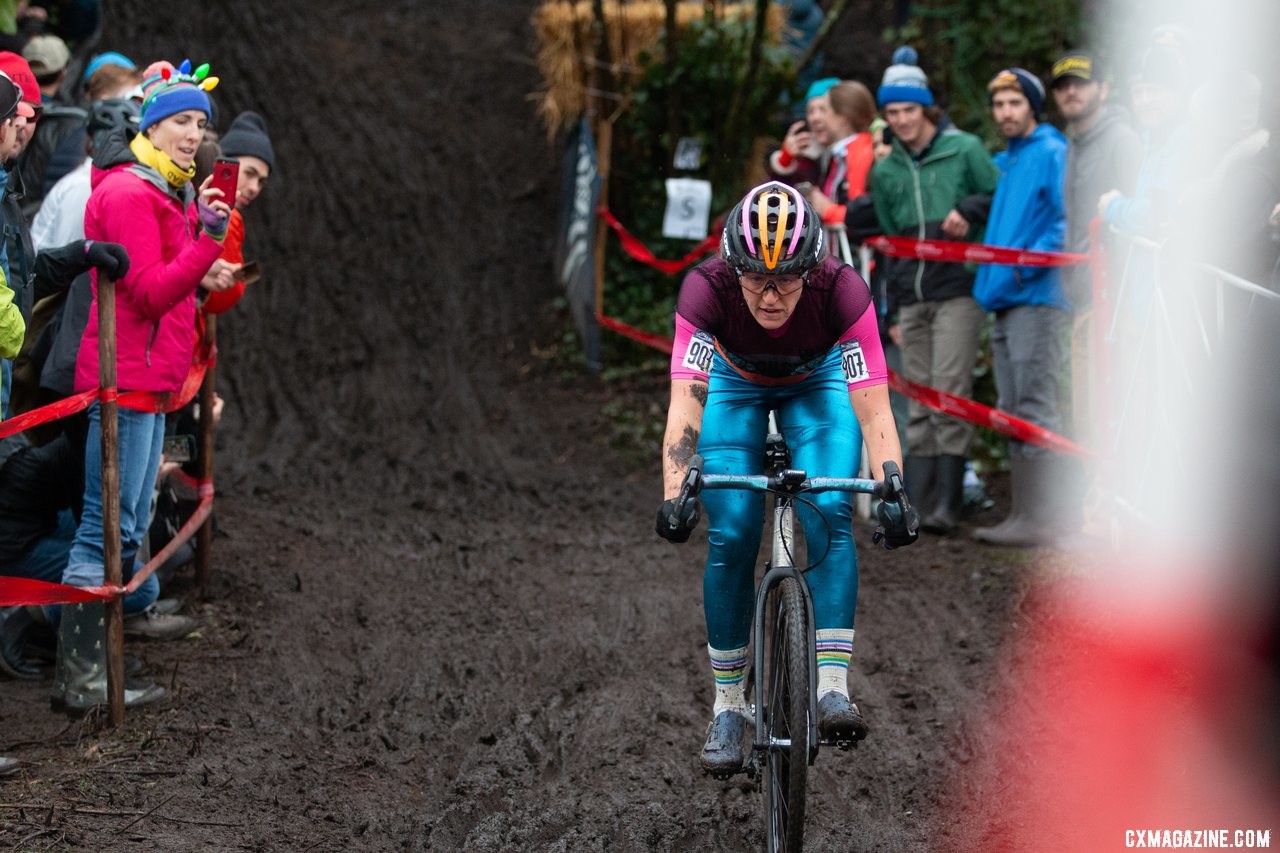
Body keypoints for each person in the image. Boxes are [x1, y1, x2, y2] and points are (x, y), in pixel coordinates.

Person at [656, 181, 918, 776]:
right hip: (733, 384)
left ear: (814, 268)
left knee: (829, 508)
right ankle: (729, 706)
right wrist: (675, 492)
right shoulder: (706, 290)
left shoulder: (843, 291)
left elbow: (874, 406)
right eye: (755, 279)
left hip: (817, 384)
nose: (771, 297)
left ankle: (831, 686)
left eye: (787, 280)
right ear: (732, 265)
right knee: (732, 531)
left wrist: (894, 486)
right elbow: (687, 404)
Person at [54, 57, 235, 712]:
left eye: (200, 123)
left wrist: (198, 241)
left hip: (144, 380)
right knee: (106, 529)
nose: (194, 134)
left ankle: (94, 667)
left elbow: (165, 281)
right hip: (121, 382)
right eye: (182, 121)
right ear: (152, 126)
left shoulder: (162, 189)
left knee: (124, 524)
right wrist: (207, 242)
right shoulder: (133, 194)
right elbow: (152, 291)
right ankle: (81, 676)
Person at [869, 47, 999, 536]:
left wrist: (970, 205)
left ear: (926, 107)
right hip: (911, 296)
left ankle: (949, 505)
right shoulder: (885, 171)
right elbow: (888, 244)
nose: (901, 120)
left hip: (957, 291)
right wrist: (894, 310)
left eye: (909, 109)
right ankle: (915, 507)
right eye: (892, 112)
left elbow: (997, 194)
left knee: (948, 396)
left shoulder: (963, 149)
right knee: (918, 403)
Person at [970, 68, 1069, 546]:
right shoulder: (1007, 161)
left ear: (1032, 105)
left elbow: (1066, 220)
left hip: (1037, 297)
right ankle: (1025, 515)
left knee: (1035, 405)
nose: (1005, 112)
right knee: (1012, 406)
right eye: (999, 104)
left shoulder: (1052, 152)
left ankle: (1045, 519)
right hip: (1006, 299)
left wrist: (1021, 269)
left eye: (1014, 103)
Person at [201, 109, 273, 315]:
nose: (254, 188)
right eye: (249, 173)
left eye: (261, 181)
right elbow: (220, 300)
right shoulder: (226, 216)